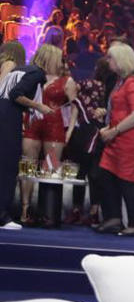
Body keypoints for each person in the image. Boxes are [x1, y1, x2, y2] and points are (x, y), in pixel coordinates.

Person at [94, 42, 134, 236]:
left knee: (127, 180)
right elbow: (122, 111)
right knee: (104, 174)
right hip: (120, 136)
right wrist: (110, 127)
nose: (107, 61)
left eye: (111, 57)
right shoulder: (122, 81)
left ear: (121, 60)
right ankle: (113, 218)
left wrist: (114, 130)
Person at [18, 45, 74, 225]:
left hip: (55, 127)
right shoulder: (33, 76)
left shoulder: (67, 81)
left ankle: (48, 213)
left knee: (50, 170)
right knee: (28, 167)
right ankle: (25, 210)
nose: (60, 61)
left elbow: (75, 107)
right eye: (58, 57)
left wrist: (69, 131)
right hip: (32, 124)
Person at [0, 41, 53, 231]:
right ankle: (2, 216)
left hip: (6, 117)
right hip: (7, 121)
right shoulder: (32, 72)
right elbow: (14, 94)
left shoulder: (20, 70)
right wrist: (38, 106)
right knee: (8, 168)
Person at [63, 55, 117, 226]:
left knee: (85, 173)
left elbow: (71, 90)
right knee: (92, 174)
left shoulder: (93, 84)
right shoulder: (106, 87)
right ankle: (91, 212)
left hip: (90, 132)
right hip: (97, 132)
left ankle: (79, 210)